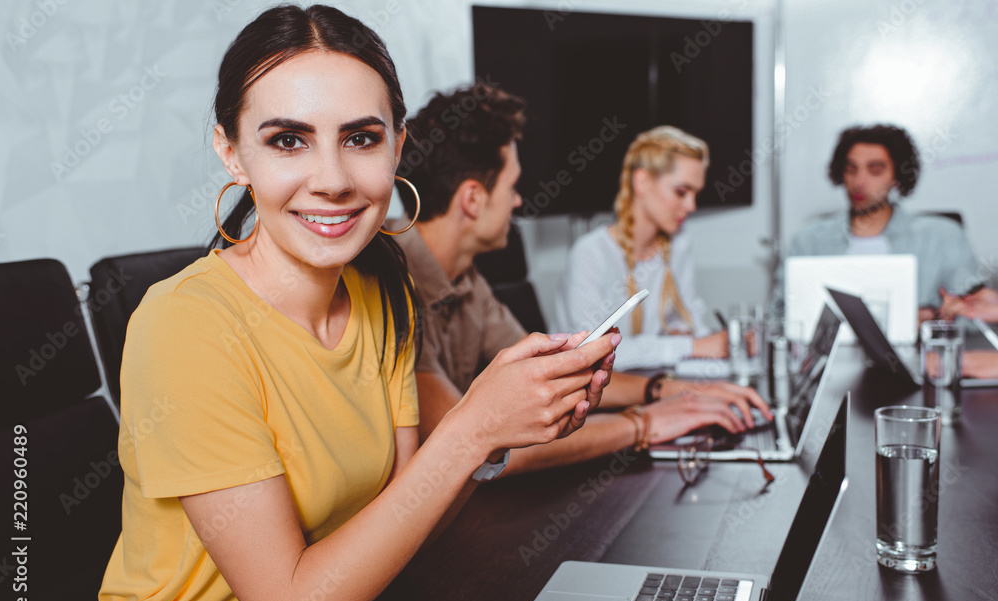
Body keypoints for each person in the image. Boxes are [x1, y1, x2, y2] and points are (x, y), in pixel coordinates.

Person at [93, 6, 618, 601]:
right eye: (288, 139)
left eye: (361, 138)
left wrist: (497, 432)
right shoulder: (182, 325)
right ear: (231, 151)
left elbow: (407, 510)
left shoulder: (381, 283)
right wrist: (472, 427)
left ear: (397, 147)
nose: (334, 179)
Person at [394, 86, 770, 475]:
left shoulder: (468, 281)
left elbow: (555, 372)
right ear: (473, 200)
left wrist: (662, 391)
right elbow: (469, 448)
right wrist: (643, 424)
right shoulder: (392, 283)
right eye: (513, 187)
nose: (519, 202)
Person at [553, 125, 729, 370]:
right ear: (643, 181)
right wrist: (688, 346)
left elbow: (693, 323)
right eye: (681, 192)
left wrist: (693, 335)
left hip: (650, 384)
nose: (691, 206)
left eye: (695, 194)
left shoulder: (678, 243)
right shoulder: (590, 254)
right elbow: (591, 352)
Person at [783, 124, 980, 321]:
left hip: (914, 351)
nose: (859, 181)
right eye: (851, 170)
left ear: (897, 177)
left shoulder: (942, 237)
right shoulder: (808, 241)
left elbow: (975, 315)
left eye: (875, 171)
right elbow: (781, 314)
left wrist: (932, 316)